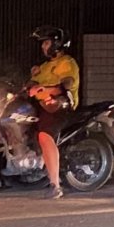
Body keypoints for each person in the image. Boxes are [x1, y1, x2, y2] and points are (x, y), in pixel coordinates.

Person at [27, 24, 82, 200]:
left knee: (45, 135)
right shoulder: (43, 66)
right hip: (42, 106)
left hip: (60, 106)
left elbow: (66, 83)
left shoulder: (67, 63)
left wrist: (46, 88)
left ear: (57, 44)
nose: (43, 47)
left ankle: (55, 185)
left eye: (46, 43)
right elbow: (31, 85)